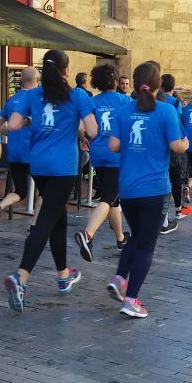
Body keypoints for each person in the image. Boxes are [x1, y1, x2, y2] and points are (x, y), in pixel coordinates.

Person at [3, 49, 97, 312]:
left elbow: (12, 125)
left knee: (57, 217)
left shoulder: (31, 95)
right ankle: (21, 277)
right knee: (46, 220)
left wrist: (30, 120)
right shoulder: (77, 95)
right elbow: (92, 130)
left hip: (39, 165)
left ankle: (63, 275)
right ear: (66, 70)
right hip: (63, 167)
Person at [106, 62, 187, 317]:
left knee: (136, 236)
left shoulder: (123, 111)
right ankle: (131, 300)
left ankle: (120, 278)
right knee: (146, 246)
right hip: (154, 189)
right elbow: (177, 147)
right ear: (157, 85)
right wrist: (186, 142)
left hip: (128, 188)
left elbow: (113, 146)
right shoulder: (166, 110)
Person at [74, 64, 130, 262]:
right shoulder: (125, 100)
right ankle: (87, 235)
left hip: (97, 154)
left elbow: (81, 128)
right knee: (108, 198)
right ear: (115, 81)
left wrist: (84, 140)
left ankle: (121, 239)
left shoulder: (92, 101)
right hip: (117, 154)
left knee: (113, 199)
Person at [0, 66, 38, 223]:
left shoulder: (12, 100)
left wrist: (9, 133)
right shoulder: (37, 99)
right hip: (33, 152)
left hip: (14, 152)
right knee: (46, 191)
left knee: (20, 190)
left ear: (21, 80)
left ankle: (0, 206)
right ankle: (36, 225)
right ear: (38, 80)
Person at [158, 73, 191, 223]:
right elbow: (178, 123)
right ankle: (178, 209)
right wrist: (184, 140)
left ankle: (161, 214)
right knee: (175, 177)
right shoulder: (175, 103)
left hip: (157, 143)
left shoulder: (153, 100)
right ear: (172, 86)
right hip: (172, 144)